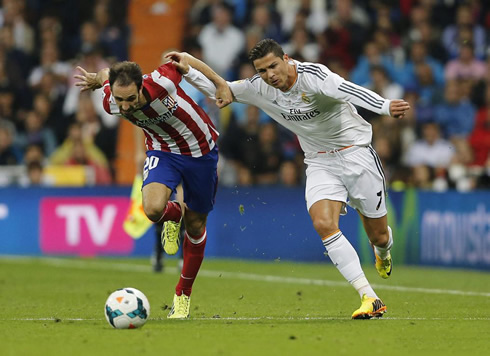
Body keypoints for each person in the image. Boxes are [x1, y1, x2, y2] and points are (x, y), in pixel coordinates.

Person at [165, 38, 410, 319]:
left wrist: (385, 105)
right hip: (319, 161)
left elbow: (349, 90)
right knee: (323, 223)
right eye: (262, 70)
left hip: (356, 154)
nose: (270, 75)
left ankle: (383, 250)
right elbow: (221, 89)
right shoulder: (261, 88)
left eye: (273, 66)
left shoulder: (314, 76)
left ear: (287, 59)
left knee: (378, 234)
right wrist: (189, 69)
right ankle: (369, 297)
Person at [74, 59, 221, 319]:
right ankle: (175, 216)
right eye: (120, 100)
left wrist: (220, 84)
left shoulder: (162, 80)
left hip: (200, 150)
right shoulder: (111, 103)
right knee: (152, 209)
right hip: (162, 151)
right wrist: (96, 80)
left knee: (197, 226)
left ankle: (182, 294)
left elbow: (185, 60)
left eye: (130, 98)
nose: (126, 106)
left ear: (142, 87)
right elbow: (106, 77)